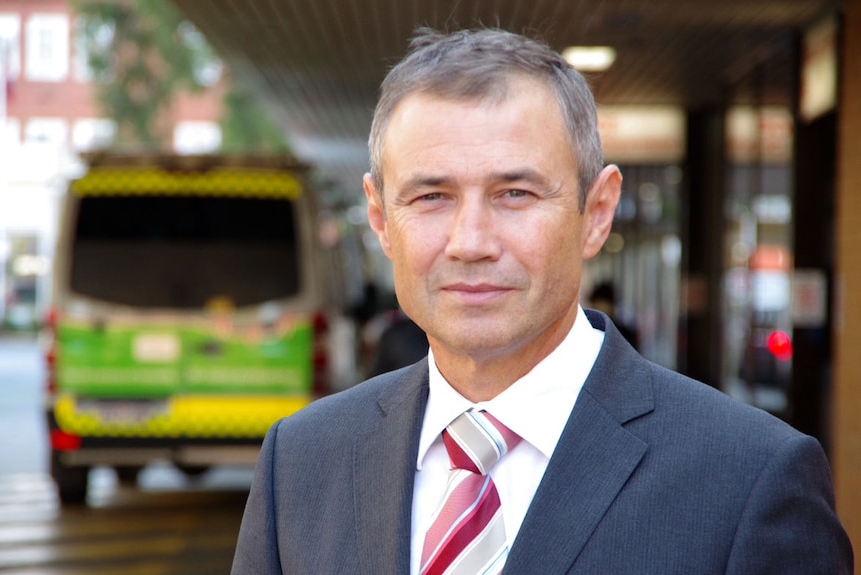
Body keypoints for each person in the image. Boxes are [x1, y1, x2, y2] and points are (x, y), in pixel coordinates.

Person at [231, 28, 853, 574]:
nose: (470, 242)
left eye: (515, 193)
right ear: (380, 218)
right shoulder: (302, 463)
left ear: (597, 214)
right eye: (430, 197)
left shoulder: (749, 480)